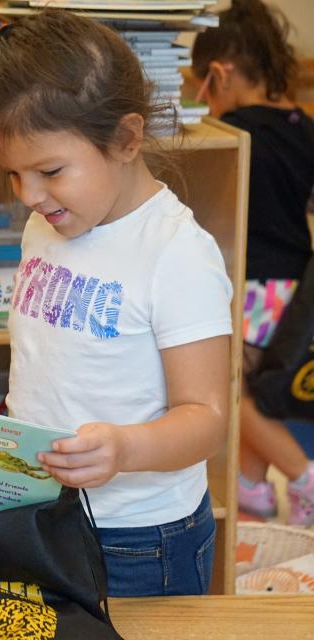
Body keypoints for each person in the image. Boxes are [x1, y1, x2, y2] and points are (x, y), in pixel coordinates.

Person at [0, 10, 233, 596]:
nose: (30, 196)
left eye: (49, 171)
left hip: (139, 537)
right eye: (12, 174)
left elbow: (207, 419)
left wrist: (124, 447)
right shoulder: (48, 224)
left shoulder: (177, 253)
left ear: (126, 138)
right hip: (43, 510)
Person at [192, 0, 314, 527]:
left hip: (252, 286)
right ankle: (252, 490)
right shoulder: (303, 125)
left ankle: (305, 480)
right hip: (295, 287)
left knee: (231, 394)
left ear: (218, 75)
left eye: (199, 85)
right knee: (260, 392)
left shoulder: (232, 134)